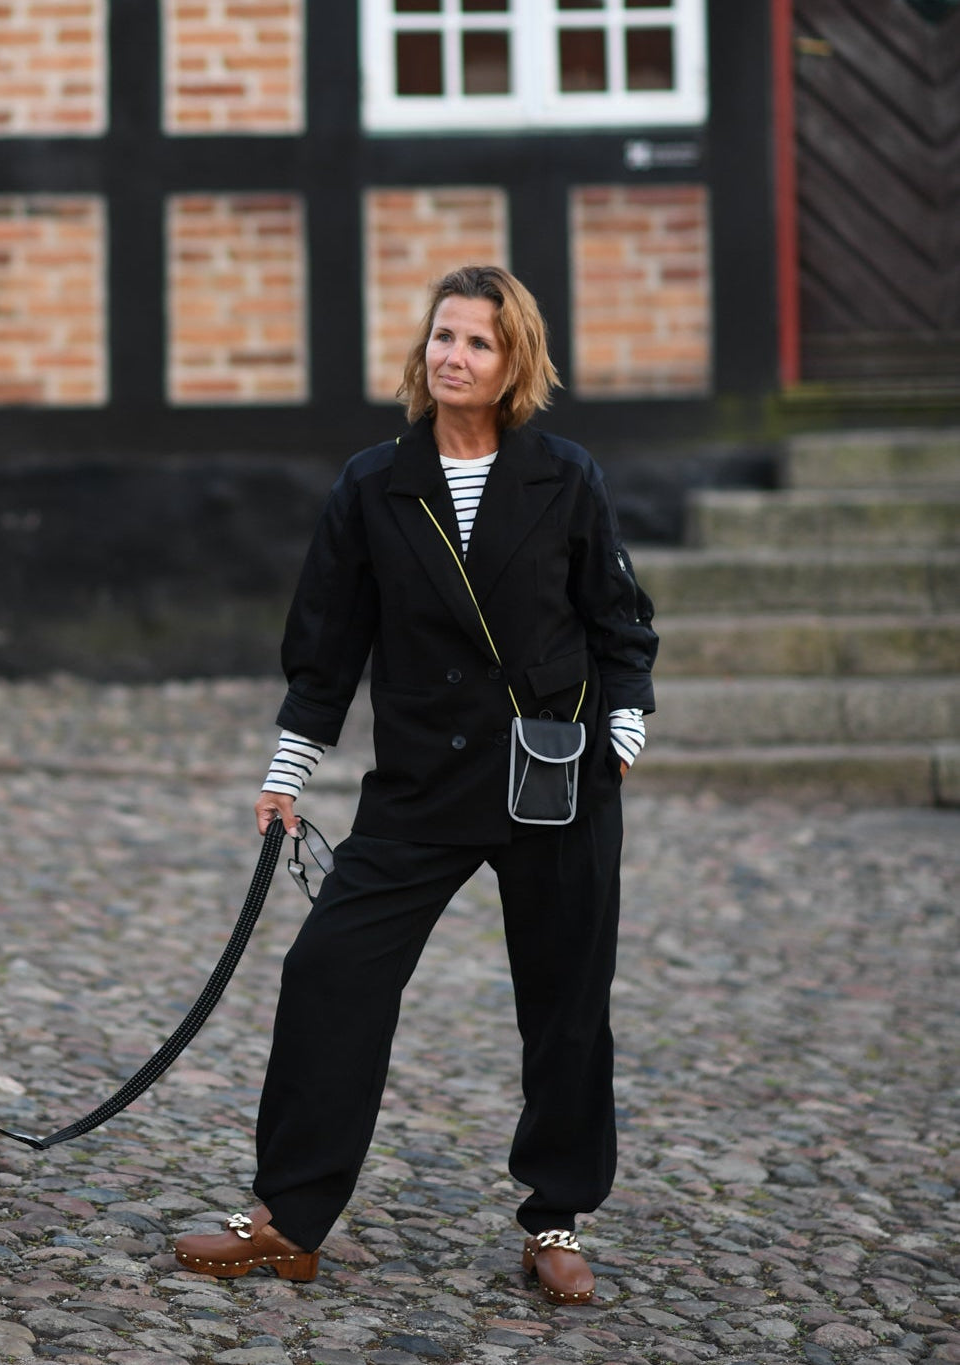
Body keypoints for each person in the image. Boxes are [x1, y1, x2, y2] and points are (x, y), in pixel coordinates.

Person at [173, 265, 658, 1305]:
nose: (455, 356)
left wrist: (623, 729)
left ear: (513, 360)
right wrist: (286, 774)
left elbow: (618, 616)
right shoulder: (374, 481)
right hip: (421, 785)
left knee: (566, 1007)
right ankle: (288, 1220)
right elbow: (327, 646)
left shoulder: (564, 475)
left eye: (479, 343)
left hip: (553, 781)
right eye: (444, 336)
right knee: (328, 976)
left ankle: (556, 1222)